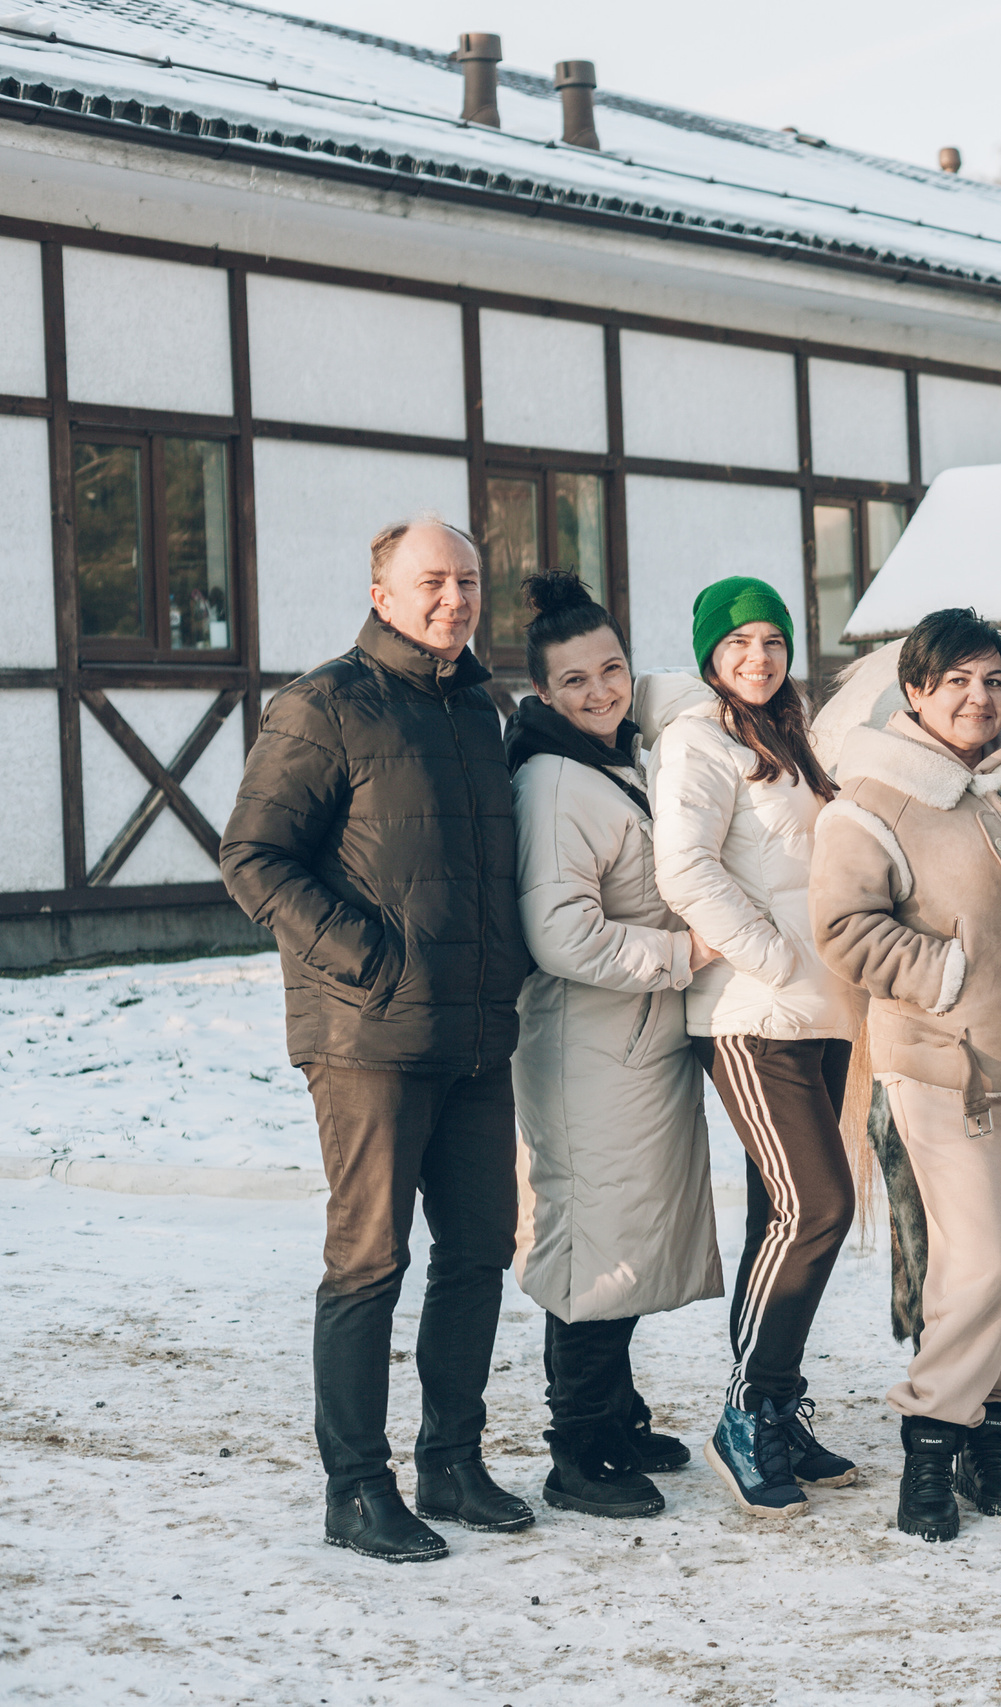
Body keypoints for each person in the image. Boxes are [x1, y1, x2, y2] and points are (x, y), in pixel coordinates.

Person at [219, 514, 534, 1564]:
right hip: (368, 1034)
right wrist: (370, 959)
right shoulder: (324, 705)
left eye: (470, 581)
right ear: (385, 593)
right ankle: (356, 1488)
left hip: (479, 1032)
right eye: (433, 581)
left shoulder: (478, 708)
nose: (455, 598)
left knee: (481, 1250)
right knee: (369, 1259)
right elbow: (254, 856)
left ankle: (452, 1459)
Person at [810, 607, 1001, 1543]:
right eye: (957, 682)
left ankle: (993, 1439)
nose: (979, 699)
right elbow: (844, 926)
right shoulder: (873, 800)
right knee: (981, 1263)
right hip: (950, 1069)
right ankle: (929, 1447)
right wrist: (946, 976)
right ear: (915, 692)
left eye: (992, 681)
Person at [506, 570, 725, 1522]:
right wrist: (684, 952)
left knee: (628, 1231)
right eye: (576, 682)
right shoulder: (554, 781)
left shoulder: (610, 758)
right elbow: (563, 934)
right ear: (544, 694)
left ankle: (618, 1413)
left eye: (613, 670)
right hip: (588, 1047)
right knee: (594, 1241)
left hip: (631, 1043)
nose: (600, 692)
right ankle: (579, 1446)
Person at [648, 576, 859, 1522]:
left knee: (780, 1214)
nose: (759, 658)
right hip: (748, 1011)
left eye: (773, 641)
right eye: (739, 645)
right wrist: (774, 958)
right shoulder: (700, 741)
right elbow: (684, 867)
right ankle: (743, 1411)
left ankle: (775, 1404)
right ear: (710, 658)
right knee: (819, 1204)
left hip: (821, 1011)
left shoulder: (794, 741)